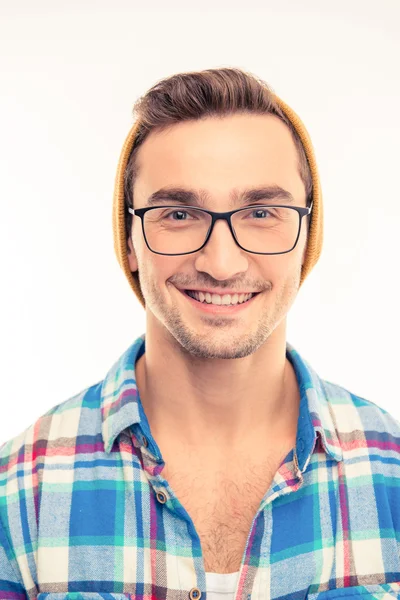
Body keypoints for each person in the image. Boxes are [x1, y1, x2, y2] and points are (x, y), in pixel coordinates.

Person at [1, 67, 400, 600]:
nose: (221, 261)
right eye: (179, 213)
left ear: (310, 234)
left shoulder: (392, 476)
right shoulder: (17, 496)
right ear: (130, 240)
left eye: (262, 211)